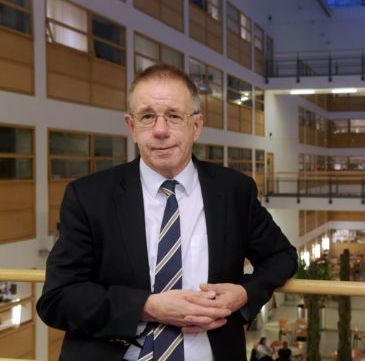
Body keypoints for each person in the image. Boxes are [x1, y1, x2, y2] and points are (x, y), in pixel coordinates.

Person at [36, 64, 298, 361]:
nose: (161, 130)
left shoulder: (234, 191)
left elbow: (282, 256)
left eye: (174, 116)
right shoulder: (88, 196)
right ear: (132, 127)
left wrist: (244, 293)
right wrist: (146, 307)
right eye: (147, 116)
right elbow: (58, 299)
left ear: (196, 126)